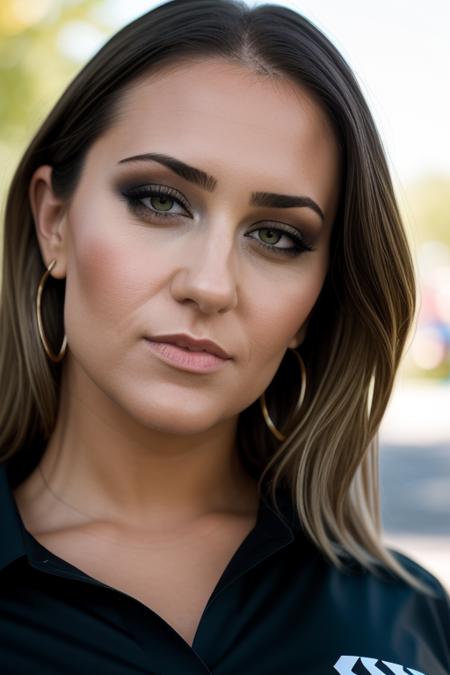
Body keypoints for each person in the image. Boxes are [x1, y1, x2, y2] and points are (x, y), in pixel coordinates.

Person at [0, 0, 448, 673]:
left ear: (315, 303)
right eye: (160, 199)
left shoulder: (407, 614)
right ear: (54, 219)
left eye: (277, 236)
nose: (210, 285)